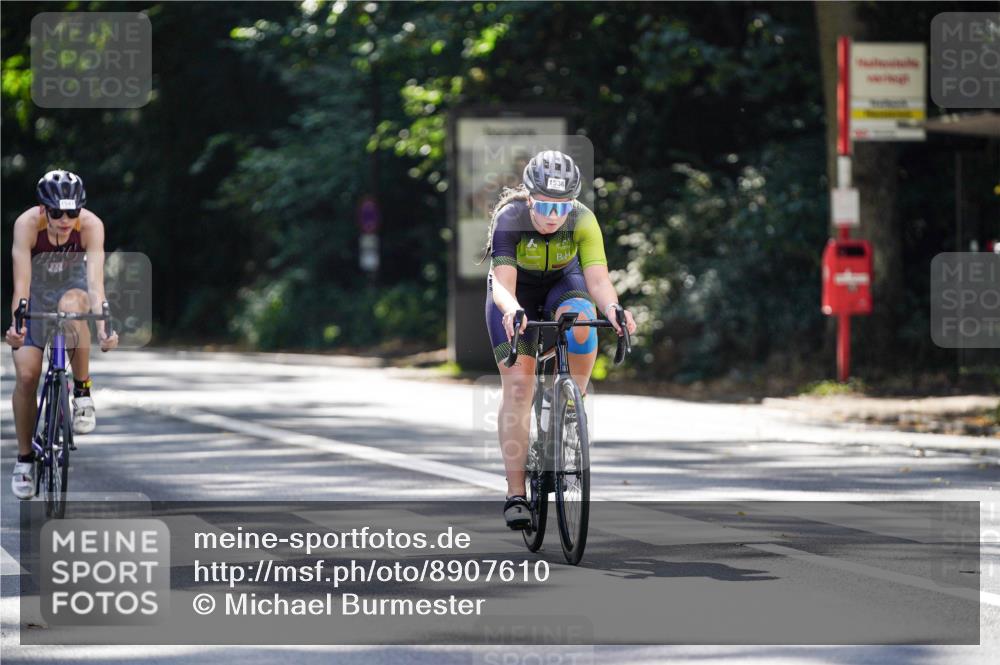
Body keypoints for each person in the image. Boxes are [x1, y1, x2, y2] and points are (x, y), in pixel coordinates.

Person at [483, 150, 636, 529]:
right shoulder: (511, 218)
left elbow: (598, 280)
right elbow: (502, 285)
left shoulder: (583, 219)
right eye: (545, 206)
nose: (553, 217)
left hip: (562, 287)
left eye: (562, 207)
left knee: (585, 317)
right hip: (515, 296)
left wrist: (614, 309)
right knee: (520, 387)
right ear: (529, 197)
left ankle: (572, 402)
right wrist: (511, 310)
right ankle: (516, 493)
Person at [5, 170, 118, 499]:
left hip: (73, 290)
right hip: (36, 295)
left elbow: (96, 284)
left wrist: (104, 327)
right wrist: (17, 326)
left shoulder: (91, 226)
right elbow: (21, 284)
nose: (65, 219)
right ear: (43, 209)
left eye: (72, 212)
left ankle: (82, 392)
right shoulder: (27, 226)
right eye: (56, 212)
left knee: (73, 307)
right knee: (26, 376)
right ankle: (25, 459)